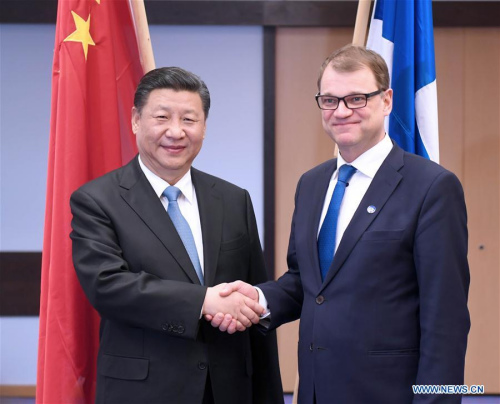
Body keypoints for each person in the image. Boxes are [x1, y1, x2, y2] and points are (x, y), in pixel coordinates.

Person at [212, 45, 470, 403]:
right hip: (316, 392)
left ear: (387, 100)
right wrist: (256, 298)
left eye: (357, 98)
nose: (342, 111)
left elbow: (447, 319)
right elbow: (308, 283)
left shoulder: (431, 186)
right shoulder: (312, 184)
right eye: (330, 100)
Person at [70, 67, 283, 404]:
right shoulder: (98, 199)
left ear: (204, 126)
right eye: (162, 117)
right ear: (136, 120)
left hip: (229, 389)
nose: (176, 131)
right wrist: (203, 301)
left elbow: (253, 299)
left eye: (189, 119)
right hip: (144, 392)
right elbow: (107, 286)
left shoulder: (232, 199)